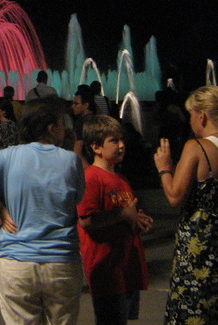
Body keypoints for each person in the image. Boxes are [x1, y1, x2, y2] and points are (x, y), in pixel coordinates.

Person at [0, 97, 85, 325]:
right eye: (61, 123)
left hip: (15, 261)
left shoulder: (9, 155)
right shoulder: (70, 160)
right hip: (60, 261)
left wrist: (0, 207)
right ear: (51, 128)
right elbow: (77, 198)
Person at [154, 85, 218, 324]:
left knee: (195, 310)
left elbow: (175, 196)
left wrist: (164, 168)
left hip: (200, 247)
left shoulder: (197, 147)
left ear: (201, 115)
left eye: (191, 115)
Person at [78, 115, 151, 325]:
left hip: (125, 266)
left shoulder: (119, 177)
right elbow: (86, 220)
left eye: (122, 140)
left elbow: (125, 211)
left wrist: (135, 219)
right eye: (114, 141)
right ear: (96, 147)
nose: (121, 146)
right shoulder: (92, 177)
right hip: (107, 269)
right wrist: (123, 214)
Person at [72, 88, 95, 168]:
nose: (73, 106)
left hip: (86, 166)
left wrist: (89, 171)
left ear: (86, 105)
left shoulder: (80, 123)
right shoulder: (96, 120)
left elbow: (77, 152)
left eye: (76, 104)